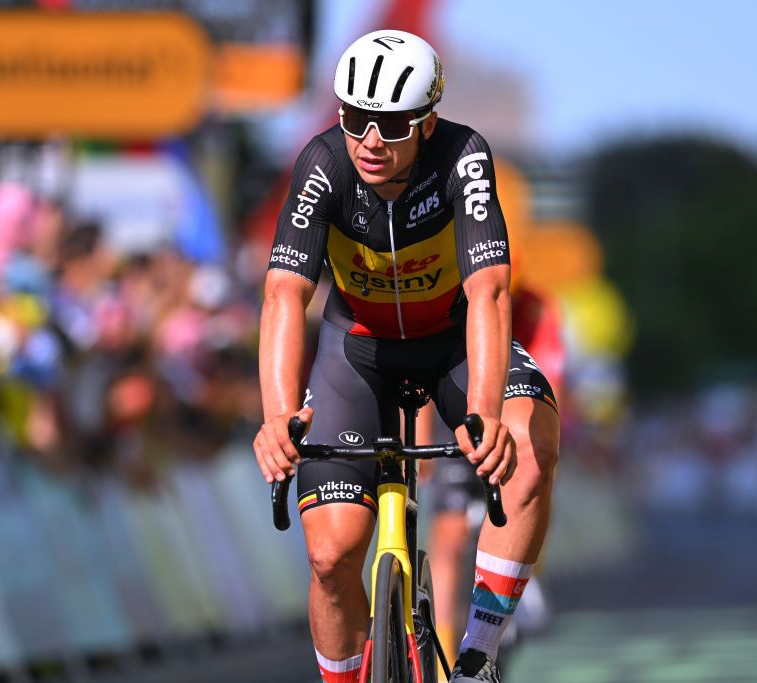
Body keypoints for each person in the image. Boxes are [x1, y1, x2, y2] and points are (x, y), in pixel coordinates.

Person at [252, 30, 560, 683]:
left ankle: (477, 653)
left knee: (530, 443)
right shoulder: (324, 164)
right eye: (355, 117)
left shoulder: (462, 157)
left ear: (427, 121)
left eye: (390, 125)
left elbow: (490, 290)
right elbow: (284, 294)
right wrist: (277, 415)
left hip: (451, 341)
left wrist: (484, 414)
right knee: (333, 556)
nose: (368, 138)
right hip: (357, 352)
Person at [423, 283, 564, 670]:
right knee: (450, 533)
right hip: (453, 393)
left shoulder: (534, 306)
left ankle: (523, 578)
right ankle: (442, 654)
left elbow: (553, 376)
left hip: (510, 393)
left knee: (533, 466)